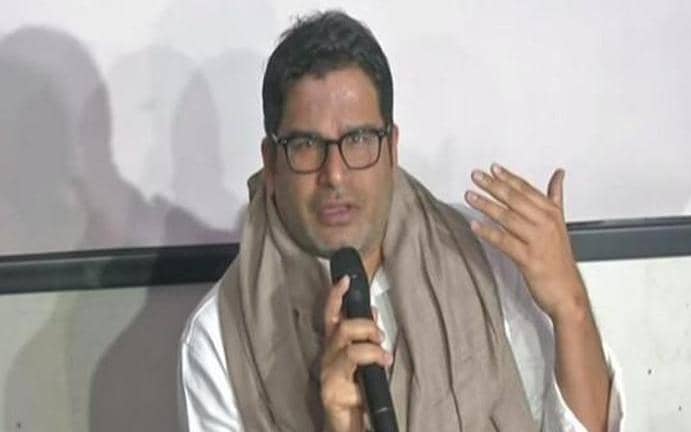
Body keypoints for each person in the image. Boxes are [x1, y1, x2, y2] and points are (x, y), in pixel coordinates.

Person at [179, 10, 623, 432]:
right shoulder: (220, 337)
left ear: (392, 148)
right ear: (271, 163)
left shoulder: (482, 257)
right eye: (306, 145)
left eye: (358, 139)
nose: (334, 175)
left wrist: (571, 307)